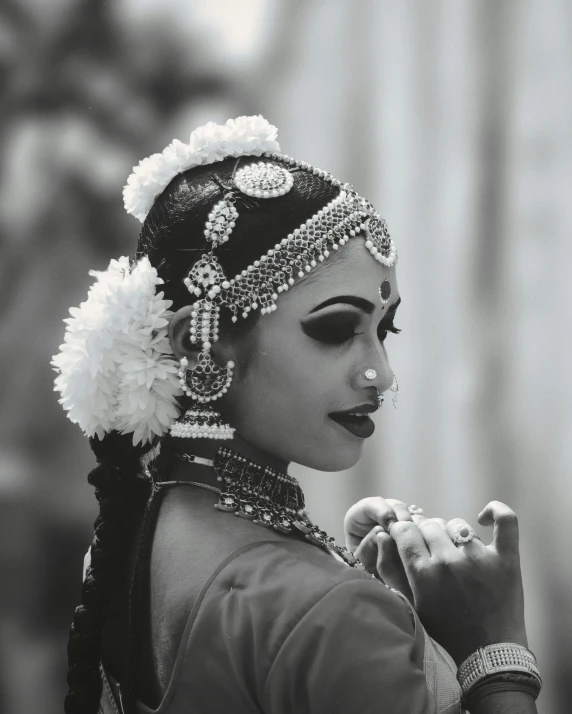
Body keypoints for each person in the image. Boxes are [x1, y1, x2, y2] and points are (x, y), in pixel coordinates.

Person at [53, 116, 542, 714]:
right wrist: (494, 652)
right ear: (201, 343)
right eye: (335, 329)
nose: (381, 376)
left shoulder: (135, 532)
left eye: (383, 332)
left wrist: (378, 607)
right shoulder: (325, 615)